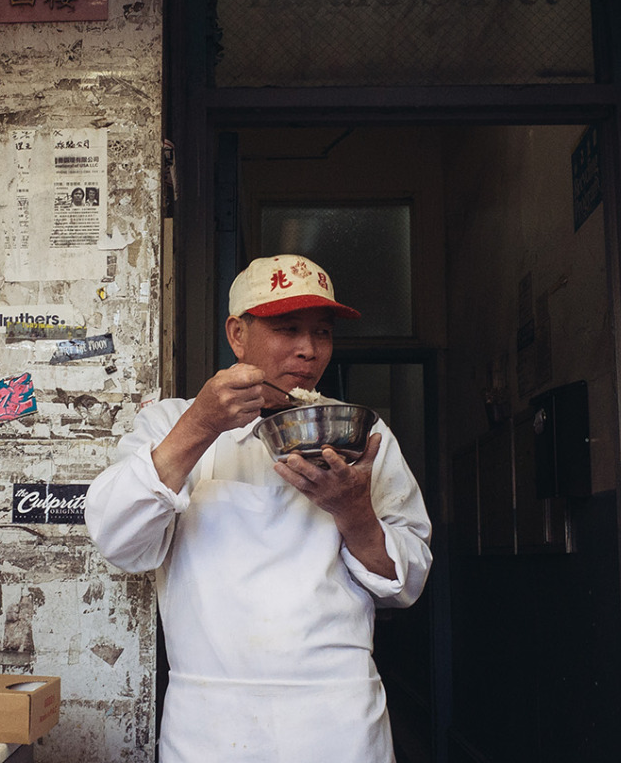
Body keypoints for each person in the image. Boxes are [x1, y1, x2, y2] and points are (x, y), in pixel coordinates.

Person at [85, 254, 432, 763]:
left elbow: (406, 583)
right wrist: (202, 427)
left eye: (322, 332)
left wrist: (352, 511)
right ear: (237, 334)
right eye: (287, 328)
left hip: (337, 718)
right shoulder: (170, 424)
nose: (308, 350)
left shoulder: (365, 437)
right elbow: (118, 541)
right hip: (210, 721)